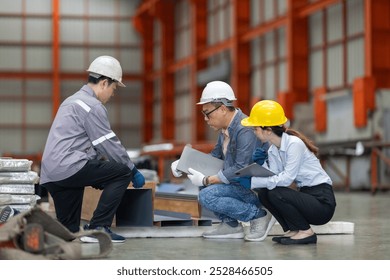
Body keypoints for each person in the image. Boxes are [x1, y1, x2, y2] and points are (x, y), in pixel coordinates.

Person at [39, 55, 145, 243]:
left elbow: (81, 142)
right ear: (104, 83)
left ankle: (48, 232)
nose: (113, 94)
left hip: (52, 174)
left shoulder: (71, 101)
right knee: (121, 172)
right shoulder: (92, 106)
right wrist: (132, 169)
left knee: (69, 233)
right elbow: (109, 144)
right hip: (69, 168)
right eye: (113, 89)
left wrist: (96, 170)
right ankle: (98, 227)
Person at [171, 81, 275, 241]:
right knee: (203, 187)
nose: (205, 119)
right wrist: (184, 164)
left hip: (255, 188)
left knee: (207, 195)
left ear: (222, 109)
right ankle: (231, 225)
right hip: (238, 184)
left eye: (207, 113)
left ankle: (259, 215)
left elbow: (243, 167)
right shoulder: (225, 130)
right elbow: (214, 158)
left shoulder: (245, 129)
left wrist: (207, 179)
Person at [239, 100, 337, 244]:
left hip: (322, 202)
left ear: (267, 130)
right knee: (265, 194)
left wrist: (254, 181)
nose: (254, 132)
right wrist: (260, 166)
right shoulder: (273, 150)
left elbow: (286, 179)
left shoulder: (294, 144)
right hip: (306, 195)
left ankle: (306, 232)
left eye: (255, 129)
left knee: (276, 192)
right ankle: (295, 228)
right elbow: (273, 177)